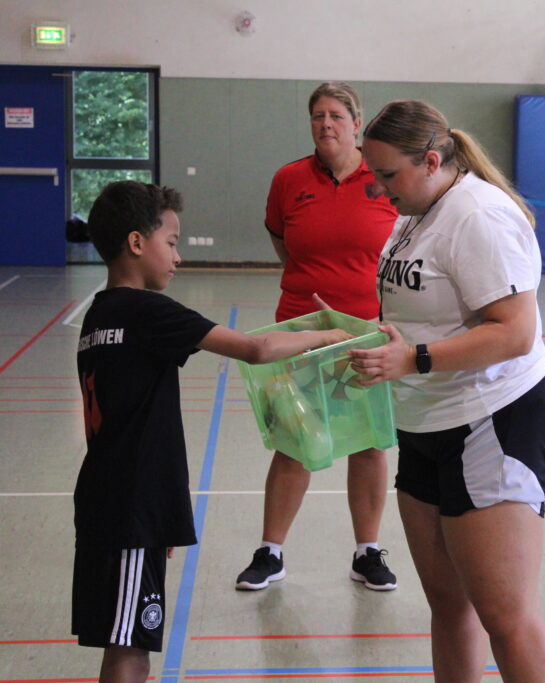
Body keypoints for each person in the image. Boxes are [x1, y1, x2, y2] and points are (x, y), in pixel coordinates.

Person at [73, 181, 350, 683]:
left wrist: (159, 516)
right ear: (136, 243)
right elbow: (256, 349)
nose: (177, 256)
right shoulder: (146, 310)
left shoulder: (99, 314)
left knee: (127, 641)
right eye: (171, 242)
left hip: (111, 502)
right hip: (133, 507)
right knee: (129, 651)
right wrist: (329, 334)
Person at [345, 100, 545, 682]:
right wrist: (369, 338)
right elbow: (425, 310)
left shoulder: (478, 215)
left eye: (387, 174)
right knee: (449, 605)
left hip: (494, 415)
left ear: (431, 161)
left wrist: (414, 357)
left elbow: (514, 332)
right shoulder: (416, 211)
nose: (379, 188)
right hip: (427, 417)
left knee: (506, 615)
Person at [234, 82, 400, 592]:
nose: (325, 124)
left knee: (369, 443)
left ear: (357, 123)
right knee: (294, 439)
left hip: (366, 332)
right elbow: (281, 241)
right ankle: (271, 552)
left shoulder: (383, 177)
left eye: (336, 115)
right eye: (317, 115)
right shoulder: (289, 179)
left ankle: (367, 552)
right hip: (300, 332)